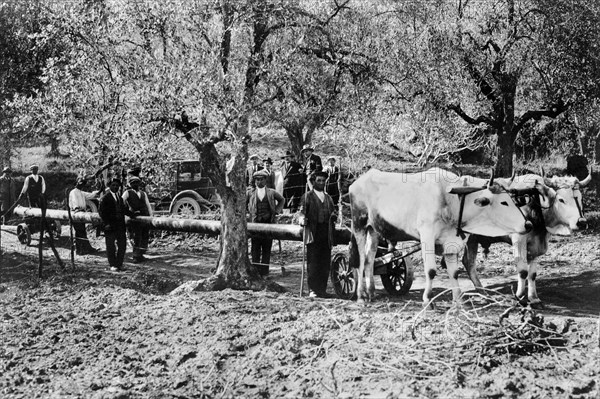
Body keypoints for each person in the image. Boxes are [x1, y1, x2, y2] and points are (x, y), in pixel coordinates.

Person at [298, 171, 337, 298]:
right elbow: (301, 212)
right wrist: (302, 218)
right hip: (314, 232)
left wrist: (334, 216)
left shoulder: (328, 198)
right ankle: (313, 290)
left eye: (323, 181)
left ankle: (322, 289)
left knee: (325, 262)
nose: (321, 183)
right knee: (313, 262)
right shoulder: (307, 196)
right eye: (319, 180)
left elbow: (333, 212)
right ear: (314, 181)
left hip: (327, 232)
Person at [247, 169, 284, 276]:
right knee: (255, 248)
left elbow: (282, 200)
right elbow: (242, 204)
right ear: (254, 181)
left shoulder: (271, 192)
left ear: (265, 180)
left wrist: (276, 211)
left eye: (262, 179)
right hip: (255, 225)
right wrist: (247, 213)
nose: (259, 182)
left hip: (269, 224)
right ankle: (256, 272)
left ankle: (265, 272)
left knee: (267, 248)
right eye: (257, 180)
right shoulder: (250, 193)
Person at [99, 179, 132, 271]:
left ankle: (119, 264)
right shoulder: (105, 198)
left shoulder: (120, 198)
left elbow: (124, 210)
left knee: (122, 245)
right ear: (109, 186)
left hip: (120, 226)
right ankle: (113, 264)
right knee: (110, 246)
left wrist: (134, 214)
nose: (115, 187)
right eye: (113, 185)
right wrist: (106, 224)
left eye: (117, 185)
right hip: (110, 226)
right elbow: (102, 213)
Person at [122, 176, 153, 263]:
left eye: (137, 182)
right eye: (133, 183)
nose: (135, 184)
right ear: (130, 184)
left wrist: (151, 216)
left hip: (145, 217)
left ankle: (141, 254)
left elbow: (148, 205)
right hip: (135, 218)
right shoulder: (127, 192)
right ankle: (136, 256)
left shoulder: (143, 193)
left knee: (145, 235)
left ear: (139, 183)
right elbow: (121, 202)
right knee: (137, 236)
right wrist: (128, 212)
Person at [68, 178, 99, 255]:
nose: (81, 185)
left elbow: (91, 195)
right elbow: (75, 202)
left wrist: (100, 190)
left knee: (81, 231)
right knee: (79, 231)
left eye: (83, 184)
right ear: (76, 183)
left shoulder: (81, 193)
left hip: (81, 212)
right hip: (76, 213)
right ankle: (80, 250)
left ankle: (85, 249)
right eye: (80, 183)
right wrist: (76, 208)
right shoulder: (73, 192)